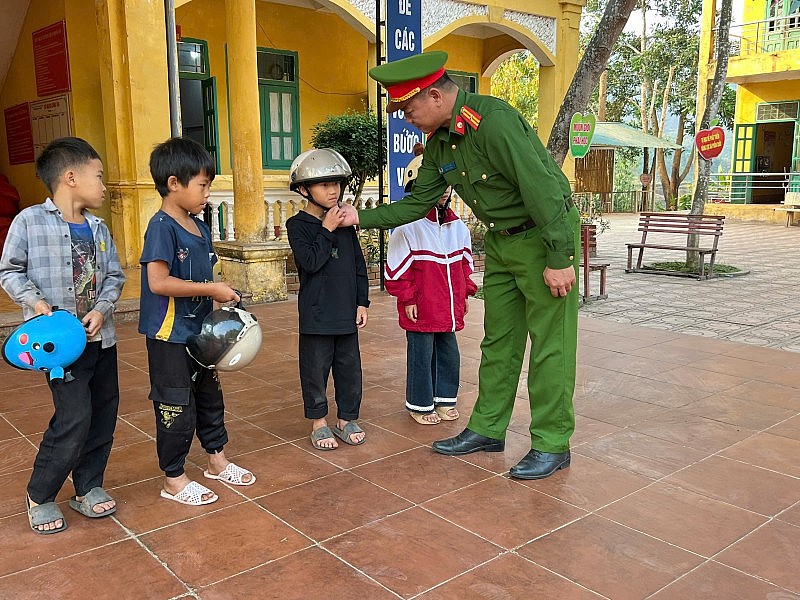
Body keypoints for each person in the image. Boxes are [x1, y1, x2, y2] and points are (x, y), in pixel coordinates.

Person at [340, 50, 580, 480]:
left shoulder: (495, 122)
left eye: (409, 109)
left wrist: (559, 257)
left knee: (550, 347)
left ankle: (552, 442)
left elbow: (543, 188)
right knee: (499, 341)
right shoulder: (441, 143)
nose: (406, 119)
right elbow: (418, 202)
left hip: (543, 237)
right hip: (504, 245)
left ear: (434, 96)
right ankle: (488, 428)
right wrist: (358, 217)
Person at [0, 136, 126, 533]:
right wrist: (36, 303)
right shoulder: (29, 222)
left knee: (104, 415)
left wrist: (102, 310)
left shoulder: (100, 228)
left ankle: (87, 487)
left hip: (101, 341)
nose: (104, 186)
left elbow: (116, 278)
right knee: (74, 417)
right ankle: (40, 493)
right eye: (99, 176)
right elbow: (9, 271)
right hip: (59, 348)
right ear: (71, 177)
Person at [139, 137, 255, 506]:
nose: (207, 192)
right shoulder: (161, 227)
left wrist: (223, 292)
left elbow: (206, 277)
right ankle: (173, 478)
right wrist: (210, 287)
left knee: (209, 397)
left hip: (203, 336)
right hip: (170, 336)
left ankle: (217, 461)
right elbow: (158, 282)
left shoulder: (200, 227)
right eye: (202, 185)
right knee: (176, 405)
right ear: (174, 183)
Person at [384, 144, 477, 425]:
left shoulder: (458, 227)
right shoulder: (407, 226)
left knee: (448, 351)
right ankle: (420, 403)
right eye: (434, 185)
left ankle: (445, 399)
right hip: (421, 305)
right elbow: (396, 271)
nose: (443, 191)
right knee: (421, 355)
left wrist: (463, 298)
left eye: (446, 185)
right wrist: (408, 299)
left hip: (447, 307)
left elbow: (464, 269)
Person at [286, 148, 369, 451]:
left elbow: (358, 265)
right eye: (324, 184)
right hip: (317, 315)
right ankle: (318, 422)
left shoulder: (345, 222)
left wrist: (362, 301)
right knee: (315, 370)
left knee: (350, 369)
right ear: (304, 189)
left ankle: (347, 419)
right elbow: (310, 262)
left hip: (346, 311)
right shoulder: (297, 226)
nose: (332, 190)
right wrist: (326, 230)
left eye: (336, 183)